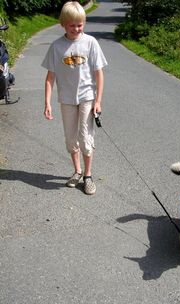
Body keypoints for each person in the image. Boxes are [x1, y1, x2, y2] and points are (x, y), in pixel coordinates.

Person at [42, 1, 107, 195]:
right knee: (71, 139)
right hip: (67, 99)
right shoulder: (56, 46)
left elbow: (99, 73)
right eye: (72, 25)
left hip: (87, 96)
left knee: (85, 138)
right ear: (63, 24)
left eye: (80, 24)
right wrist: (47, 102)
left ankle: (88, 175)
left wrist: (98, 100)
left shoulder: (91, 43)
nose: (76, 29)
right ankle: (77, 171)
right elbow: (50, 77)